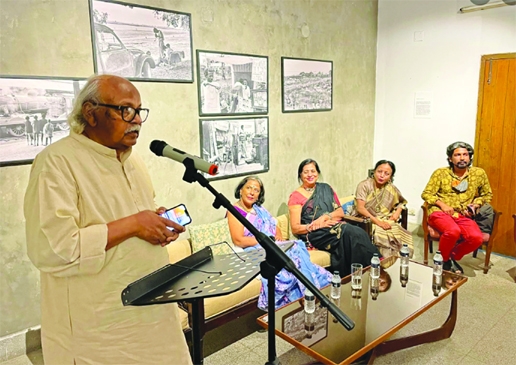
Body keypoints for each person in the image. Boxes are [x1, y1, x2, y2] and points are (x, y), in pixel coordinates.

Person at [24, 74, 192, 364]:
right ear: (91, 113)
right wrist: (135, 224)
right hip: (99, 328)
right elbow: (52, 250)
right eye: (126, 110)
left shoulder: (133, 160)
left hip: (153, 314)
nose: (136, 120)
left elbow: (137, 213)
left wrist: (155, 222)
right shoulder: (56, 162)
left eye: (140, 111)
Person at [227, 176, 331, 310]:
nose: (252, 192)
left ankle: (308, 292)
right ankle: (309, 292)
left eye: (256, 190)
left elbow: (273, 224)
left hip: (269, 244)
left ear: (259, 195)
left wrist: (278, 236)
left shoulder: (259, 209)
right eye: (248, 188)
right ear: (241, 190)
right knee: (289, 257)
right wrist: (267, 242)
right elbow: (238, 240)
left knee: (296, 247)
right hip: (252, 249)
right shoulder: (234, 211)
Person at [288, 159, 380, 277]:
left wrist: (326, 216)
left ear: (318, 173)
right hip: (315, 233)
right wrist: (316, 225)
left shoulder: (326, 188)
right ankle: (369, 271)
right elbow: (295, 228)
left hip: (335, 225)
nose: (310, 175)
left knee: (357, 233)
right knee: (350, 233)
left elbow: (340, 212)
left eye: (313, 171)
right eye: (306, 172)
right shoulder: (295, 196)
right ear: (300, 175)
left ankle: (368, 271)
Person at [421, 141, 493, 273]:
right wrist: (442, 205)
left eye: (465, 154)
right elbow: (426, 194)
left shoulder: (478, 173)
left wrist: (476, 203)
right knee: (453, 231)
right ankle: (445, 260)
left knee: (476, 238)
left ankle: (448, 257)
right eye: (457, 155)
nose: (462, 158)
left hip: (463, 214)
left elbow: (487, 194)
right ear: (450, 158)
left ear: (470, 157)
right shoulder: (440, 173)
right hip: (439, 212)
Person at [355, 160, 413, 258]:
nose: (382, 176)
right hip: (365, 220)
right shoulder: (364, 185)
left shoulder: (391, 188)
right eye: (379, 171)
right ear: (374, 171)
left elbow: (401, 202)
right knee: (382, 235)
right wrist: (378, 222)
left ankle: (397, 261)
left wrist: (396, 214)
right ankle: (382, 262)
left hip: (385, 219)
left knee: (399, 233)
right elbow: (360, 208)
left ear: (391, 176)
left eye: (387, 174)